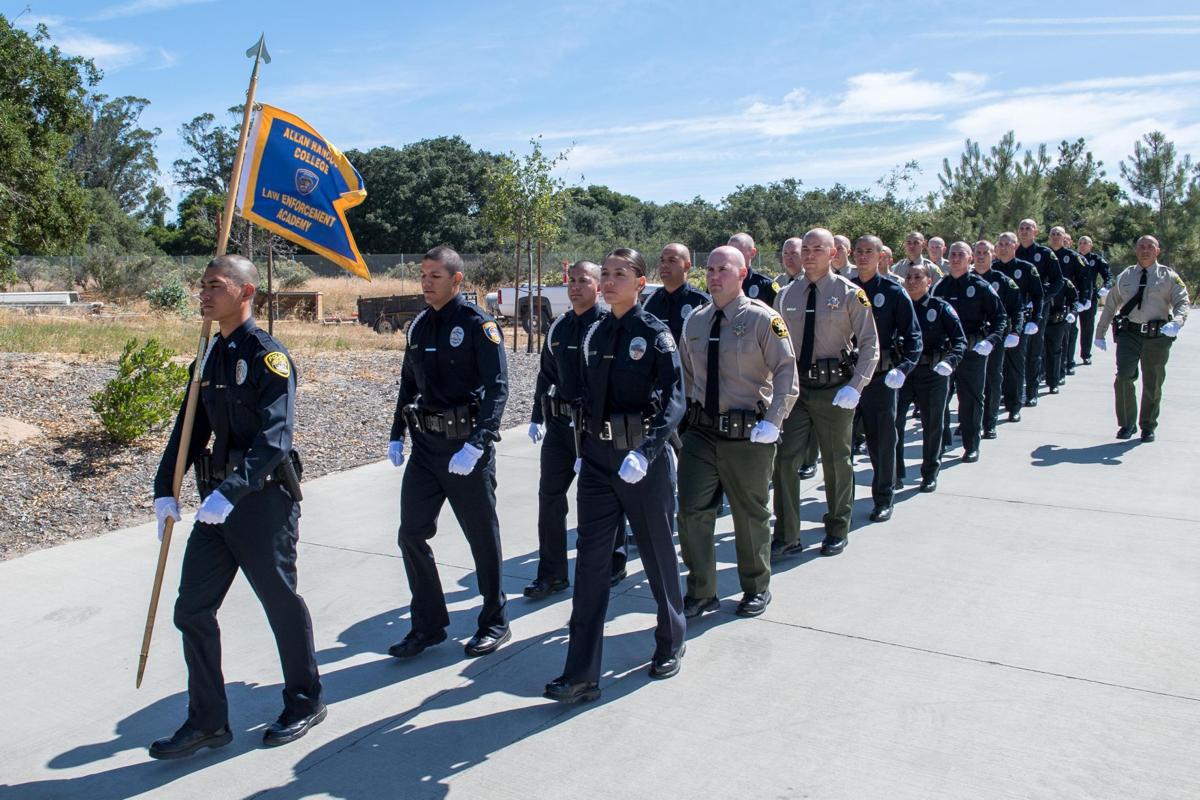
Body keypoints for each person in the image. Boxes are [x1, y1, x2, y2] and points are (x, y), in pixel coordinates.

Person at [149, 255, 323, 759]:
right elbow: (188, 431)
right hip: (215, 508)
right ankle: (207, 721)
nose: (204, 294)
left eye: (215, 286)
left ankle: (305, 699)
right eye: (202, 285)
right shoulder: (207, 357)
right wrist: (165, 488)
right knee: (191, 609)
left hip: (261, 502)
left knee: (279, 602)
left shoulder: (268, 357)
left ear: (246, 293)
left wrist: (232, 492)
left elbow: (275, 438)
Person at [544, 247, 686, 703]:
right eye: (604, 273)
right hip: (599, 460)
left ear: (640, 282)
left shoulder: (655, 334)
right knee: (590, 563)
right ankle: (581, 674)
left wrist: (648, 450)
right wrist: (584, 447)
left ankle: (671, 640)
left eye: (618, 274)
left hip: (642, 459)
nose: (607, 281)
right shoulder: (596, 332)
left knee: (657, 553)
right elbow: (585, 395)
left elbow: (675, 400)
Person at [387, 246, 510, 660]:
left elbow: (497, 388)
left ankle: (494, 620)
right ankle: (428, 624)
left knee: (481, 536)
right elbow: (408, 382)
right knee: (411, 533)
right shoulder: (419, 325)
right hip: (426, 448)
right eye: (423, 275)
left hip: (465, 448)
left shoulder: (478, 325)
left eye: (434, 276)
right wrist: (396, 433)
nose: (426, 282)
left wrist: (479, 441)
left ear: (456, 280)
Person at [676, 246, 798, 618]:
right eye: (710, 269)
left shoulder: (763, 319)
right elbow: (686, 376)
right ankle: (701, 591)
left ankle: (756, 587)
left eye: (723, 269)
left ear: (743, 273)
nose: (714, 276)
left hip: (748, 435)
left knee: (750, 515)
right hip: (701, 433)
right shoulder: (695, 321)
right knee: (691, 512)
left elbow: (786, 371)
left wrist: (774, 420)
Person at [771, 228, 879, 559]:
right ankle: (787, 534)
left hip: (835, 389)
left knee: (836, 461)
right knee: (784, 461)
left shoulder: (850, 293)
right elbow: (775, 347)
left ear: (833, 254)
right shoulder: (785, 295)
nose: (809, 255)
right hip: (797, 390)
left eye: (818, 249)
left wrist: (856, 386)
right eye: (805, 249)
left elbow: (870, 344)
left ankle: (837, 528)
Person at [526, 261, 626, 601]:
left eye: (583, 281)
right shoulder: (559, 326)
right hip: (560, 428)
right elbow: (546, 374)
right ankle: (551, 574)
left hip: (595, 429)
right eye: (571, 280)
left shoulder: (609, 326)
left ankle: (614, 562)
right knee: (549, 498)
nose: (574, 286)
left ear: (598, 287)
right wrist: (537, 416)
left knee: (605, 499)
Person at [851, 235, 921, 520]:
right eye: (859, 251)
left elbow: (914, 338)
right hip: (848, 379)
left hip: (881, 379)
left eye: (869, 251)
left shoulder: (893, 292)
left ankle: (883, 498)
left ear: (881, 256)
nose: (863, 256)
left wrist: (902, 369)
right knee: (842, 445)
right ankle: (842, 502)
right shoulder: (845, 289)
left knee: (881, 442)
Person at [1094, 235, 1189, 441]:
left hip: (1157, 337)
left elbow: (1182, 301)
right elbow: (1111, 304)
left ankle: (1148, 425)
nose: (1145, 250)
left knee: (1153, 381)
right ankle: (1127, 424)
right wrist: (1100, 333)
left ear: (1157, 251)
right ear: (1136, 250)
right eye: (1141, 247)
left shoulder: (1168, 276)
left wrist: (1177, 322)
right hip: (1129, 334)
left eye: (1150, 247)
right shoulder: (1125, 276)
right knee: (1124, 377)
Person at [895, 263, 966, 492]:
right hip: (905, 373)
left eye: (918, 277)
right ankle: (895, 473)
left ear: (929, 281)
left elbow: (960, 341)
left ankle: (929, 473)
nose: (912, 281)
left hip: (933, 372)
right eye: (908, 277)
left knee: (933, 424)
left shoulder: (941, 307)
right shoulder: (900, 307)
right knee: (894, 423)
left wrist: (950, 362)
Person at [932, 242, 1006, 462]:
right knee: (938, 400)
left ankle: (971, 445)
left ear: (970, 258)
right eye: (952, 255)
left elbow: (1000, 318)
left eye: (960, 255)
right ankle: (941, 443)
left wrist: (991, 341)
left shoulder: (981, 286)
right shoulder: (940, 287)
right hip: (945, 353)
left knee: (971, 399)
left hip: (972, 352)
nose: (955, 259)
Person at [972, 240, 1023, 438]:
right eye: (977, 252)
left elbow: (1017, 309)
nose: (981, 256)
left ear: (993, 255)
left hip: (994, 337)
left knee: (993, 378)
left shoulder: (1003, 281)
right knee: (968, 382)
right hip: (969, 339)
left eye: (985, 252)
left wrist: (1016, 331)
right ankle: (969, 421)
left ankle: (989, 422)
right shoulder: (965, 279)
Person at [992, 232, 1044, 421]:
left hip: (1016, 324)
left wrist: (1035, 320)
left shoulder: (1027, 268)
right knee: (994, 368)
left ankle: (1014, 406)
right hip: (994, 326)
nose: (1004, 247)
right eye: (1001, 244)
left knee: (1015, 365)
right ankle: (993, 402)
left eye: (1008, 244)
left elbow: (1038, 296)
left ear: (1015, 246)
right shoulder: (992, 268)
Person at [779, 236, 819, 478]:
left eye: (794, 253)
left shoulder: (814, 285)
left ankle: (810, 458)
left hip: (815, 367)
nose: (789, 258)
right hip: (789, 364)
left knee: (812, 419)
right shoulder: (780, 287)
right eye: (785, 254)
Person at [1016, 218, 1064, 406]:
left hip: (1038, 309)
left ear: (1036, 232)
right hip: (1016, 308)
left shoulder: (1045, 254)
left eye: (1028, 228)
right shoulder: (1013, 252)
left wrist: (1041, 300)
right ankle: (1013, 391)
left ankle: (1031, 392)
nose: (1024, 231)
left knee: (1034, 350)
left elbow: (1058, 281)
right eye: (1021, 228)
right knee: (1014, 352)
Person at [643, 243, 709, 343]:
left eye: (671, 260)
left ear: (687, 266)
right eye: (662, 260)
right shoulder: (651, 300)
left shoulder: (701, 302)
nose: (664, 265)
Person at [1049, 226, 1092, 377]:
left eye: (1058, 234)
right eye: (1053, 234)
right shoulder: (1044, 254)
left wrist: (1084, 299)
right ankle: (1047, 370)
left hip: (1067, 302)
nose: (1055, 237)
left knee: (1067, 335)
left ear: (1064, 238)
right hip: (1048, 301)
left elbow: (1085, 278)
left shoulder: (1073, 257)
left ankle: (1066, 365)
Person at [1077, 236, 1112, 365]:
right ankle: (1067, 359)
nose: (1082, 245)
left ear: (1091, 245)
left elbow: (1108, 275)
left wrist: (1106, 287)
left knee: (1087, 327)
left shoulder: (1096, 259)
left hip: (1089, 297)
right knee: (1070, 329)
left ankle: (1086, 354)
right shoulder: (1073, 258)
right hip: (1073, 297)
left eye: (1085, 243)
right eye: (1080, 243)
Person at [1043, 278, 1079, 395]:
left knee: (1055, 351)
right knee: (1037, 353)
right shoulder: (1037, 279)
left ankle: (1054, 382)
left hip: (1057, 321)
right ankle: (1038, 378)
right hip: (1038, 321)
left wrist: (1073, 313)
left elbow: (1074, 299)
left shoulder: (1063, 282)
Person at [729, 232, 780, 306]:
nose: (733, 256)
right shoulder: (719, 282)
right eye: (730, 252)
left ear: (752, 253)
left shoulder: (766, 285)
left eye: (739, 252)